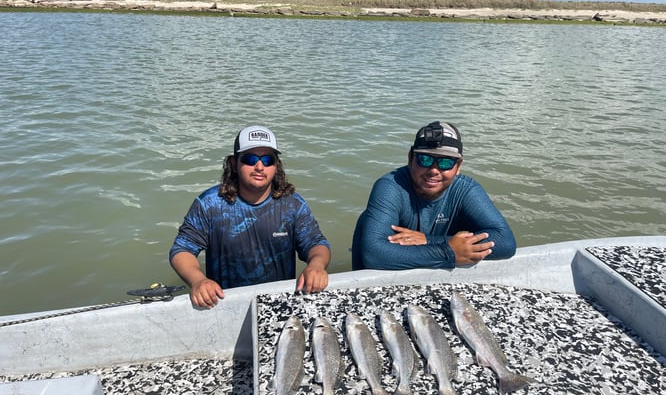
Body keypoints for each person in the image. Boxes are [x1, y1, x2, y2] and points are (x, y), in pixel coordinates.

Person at [169, 125, 331, 308]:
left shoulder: (293, 205)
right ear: (234, 164)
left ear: (276, 166)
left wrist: (317, 265)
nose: (259, 167)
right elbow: (182, 250)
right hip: (223, 303)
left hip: (279, 304)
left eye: (268, 159)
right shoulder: (209, 204)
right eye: (250, 158)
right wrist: (198, 281)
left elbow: (316, 244)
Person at [352, 121, 516, 270]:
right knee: (366, 220)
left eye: (446, 162)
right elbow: (373, 255)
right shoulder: (390, 186)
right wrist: (449, 253)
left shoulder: (465, 190)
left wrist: (430, 240)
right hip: (386, 275)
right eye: (425, 159)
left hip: (432, 267)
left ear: (458, 166)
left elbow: (506, 242)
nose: (433, 170)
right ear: (410, 158)